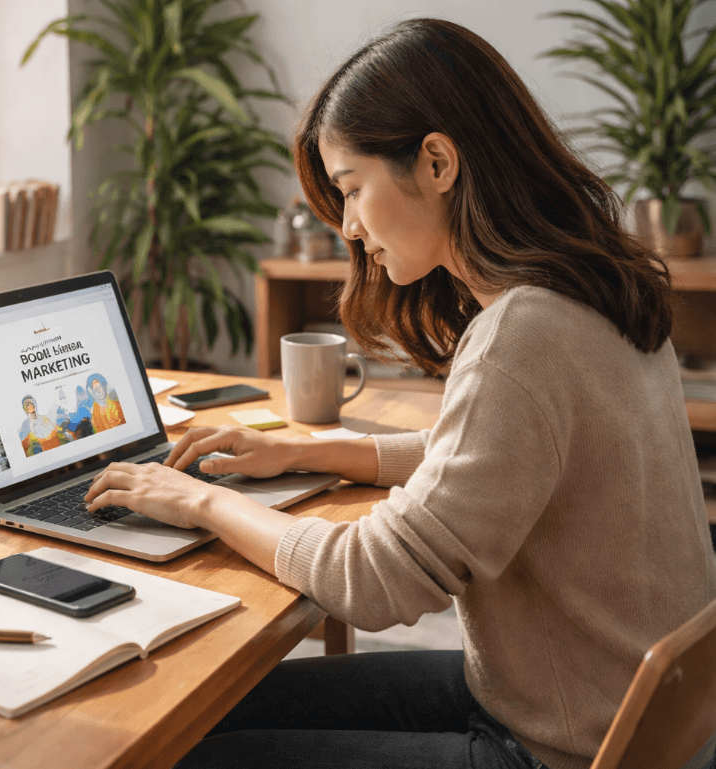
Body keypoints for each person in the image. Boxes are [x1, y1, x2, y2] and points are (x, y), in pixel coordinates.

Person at [84, 18, 716, 769]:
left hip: (557, 745)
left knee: (182, 752)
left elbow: (374, 579)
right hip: (608, 709)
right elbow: (498, 453)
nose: (349, 227)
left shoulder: (524, 335)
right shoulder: (595, 284)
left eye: (352, 189)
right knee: (208, 708)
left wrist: (201, 502)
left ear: (438, 160)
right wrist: (310, 449)